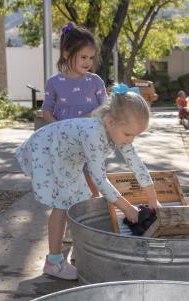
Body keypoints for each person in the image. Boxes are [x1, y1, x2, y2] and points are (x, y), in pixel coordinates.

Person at [16, 84, 159, 280]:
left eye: (136, 135)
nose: (131, 140)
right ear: (110, 122)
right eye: (128, 134)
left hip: (65, 157)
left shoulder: (119, 133)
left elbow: (136, 163)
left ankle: (76, 244)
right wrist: (126, 208)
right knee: (63, 204)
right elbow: (99, 178)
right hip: (47, 151)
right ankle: (54, 262)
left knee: (80, 199)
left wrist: (153, 198)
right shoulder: (94, 133)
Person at [41, 23, 106, 197]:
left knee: (93, 180)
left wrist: (90, 116)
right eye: (83, 57)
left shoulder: (95, 81)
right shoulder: (54, 82)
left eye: (91, 58)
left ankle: (94, 212)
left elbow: (106, 108)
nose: (88, 62)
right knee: (67, 190)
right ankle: (73, 216)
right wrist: (57, 127)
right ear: (67, 54)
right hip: (65, 143)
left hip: (90, 141)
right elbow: (46, 110)